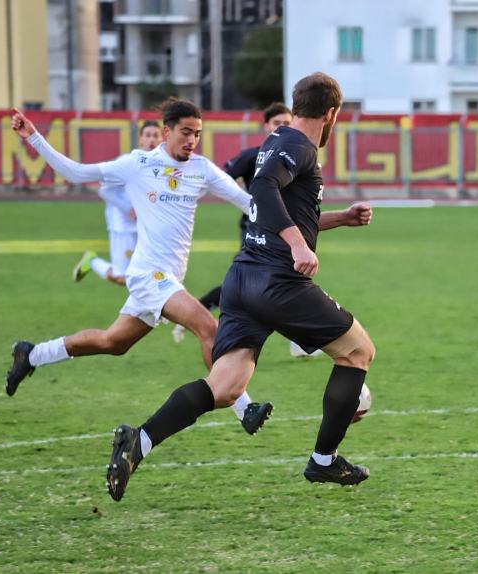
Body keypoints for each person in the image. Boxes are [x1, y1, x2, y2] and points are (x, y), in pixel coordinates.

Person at [105, 72, 376, 502]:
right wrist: (296, 245)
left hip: (243, 278)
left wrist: (340, 218)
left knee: (224, 387)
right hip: (277, 282)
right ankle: (324, 460)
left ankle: (138, 441)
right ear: (331, 114)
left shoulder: (277, 142)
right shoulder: (297, 147)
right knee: (359, 351)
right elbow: (264, 189)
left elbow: (271, 207)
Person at [4, 99, 273, 435]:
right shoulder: (138, 164)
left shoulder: (202, 169)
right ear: (167, 132)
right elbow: (76, 172)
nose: (192, 140)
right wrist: (33, 137)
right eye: (186, 132)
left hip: (168, 279)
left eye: (198, 134)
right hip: (149, 276)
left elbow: (249, 205)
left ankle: (32, 355)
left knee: (113, 342)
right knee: (208, 328)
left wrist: (298, 224)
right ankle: (244, 408)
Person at [192, 103, 322, 358]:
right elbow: (221, 176)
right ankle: (197, 309)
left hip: (290, 231)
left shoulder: (298, 153)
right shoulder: (256, 154)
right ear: (266, 127)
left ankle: (198, 310)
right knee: (262, 283)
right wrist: (244, 199)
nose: (283, 126)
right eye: (277, 123)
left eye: (287, 121)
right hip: (259, 230)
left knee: (275, 283)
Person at [72, 121, 161, 286]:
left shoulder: (160, 166)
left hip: (143, 227)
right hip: (122, 226)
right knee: (123, 278)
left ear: (162, 140)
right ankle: (92, 262)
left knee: (144, 275)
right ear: (141, 139)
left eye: (156, 136)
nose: (151, 140)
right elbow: (105, 191)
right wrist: (129, 207)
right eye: (148, 135)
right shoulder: (127, 162)